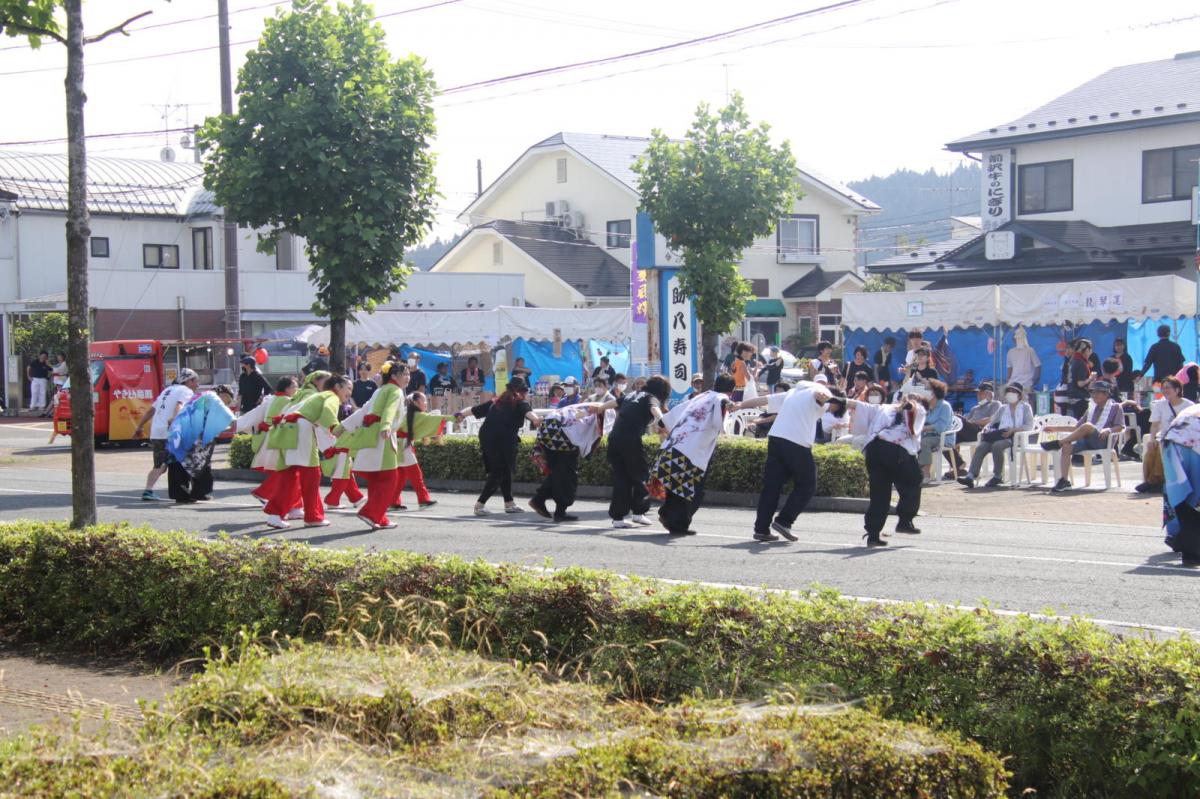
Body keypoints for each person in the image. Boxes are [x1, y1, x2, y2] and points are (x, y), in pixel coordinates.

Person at [738, 380, 834, 542]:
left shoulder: (793, 392)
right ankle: (784, 521)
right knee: (807, 484)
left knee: (772, 486)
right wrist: (822, 398)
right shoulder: (821, 391)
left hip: (776, 438)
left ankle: (761, 529)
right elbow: (821, 398)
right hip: (797, 442)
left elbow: (764, 400)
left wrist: (739, 405)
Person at [648, 374, 739, 536]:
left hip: (673, 445)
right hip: (691, 451)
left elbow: (668, 419)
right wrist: (730, 404)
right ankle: (677, 524)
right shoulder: (721, 398)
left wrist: (664, 424)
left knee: (675, 487)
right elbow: (723, 403)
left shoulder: (700, 397)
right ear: (731, 390)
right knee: (692, 490)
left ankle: (667, 514)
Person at [262, 375, 351, 529]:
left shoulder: (315, 395)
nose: (350, 392)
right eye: (348, 388)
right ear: (337, 387)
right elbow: (327, 415)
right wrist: (337, 430)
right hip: (301, 432)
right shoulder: (331, 396)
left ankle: (276, 514)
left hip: (286, 429)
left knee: (289, 475)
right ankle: (312, 516)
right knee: (311, 475)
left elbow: (292, 411)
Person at [845, 388, 929, 545]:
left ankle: (873, 534)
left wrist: (833, 398)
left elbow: (857, 405)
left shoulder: (883, 408)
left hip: (874, 449)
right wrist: (911, 405)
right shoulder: (919, 407)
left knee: (879, 494)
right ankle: (905, 521)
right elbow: (912, 411)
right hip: (896, 450)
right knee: (913, 481)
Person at [336, 361, 409, 529]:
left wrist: (343, 426)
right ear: (394, 376)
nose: (408, 377)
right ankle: (370, 513)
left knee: (377, 480)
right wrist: (386, 426)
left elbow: (363, 411)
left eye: (408, 374)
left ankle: (379, 518)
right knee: (390, 478)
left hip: (368, 434)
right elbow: (390, 410)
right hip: (382, 437)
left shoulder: (379, 390)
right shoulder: (395, 390)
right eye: (404, 374)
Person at [457, 376, 540, 516]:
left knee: (504, 469)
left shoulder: (496, 401)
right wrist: (536, 420)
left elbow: (475, 410)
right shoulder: (520, 402)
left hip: (487, 436)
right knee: (499, 471)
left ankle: (509, 503)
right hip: (503, 438)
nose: (525, 394)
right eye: (524, 391)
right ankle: (480, 504)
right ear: (521, 391)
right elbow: (529, 414)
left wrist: (460, 414)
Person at [601, 375, 670, 529]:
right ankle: (639, 513)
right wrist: (664, 423)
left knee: (621, 478)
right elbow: (655, 410)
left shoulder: (633, 394)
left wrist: (597, 409)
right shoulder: (651, 397)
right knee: (641, 476)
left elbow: (611, 403)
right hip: (630, 440)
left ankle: (618, 518)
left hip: (614, 439)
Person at [1040, 379, 1125, 493]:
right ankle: (1064, 481)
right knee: (1067, 445)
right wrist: (1055, 428)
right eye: (1093, 392)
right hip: (1086, 440)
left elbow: (1120, 426)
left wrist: (1108, 430)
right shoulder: (1091, 408)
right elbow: (1077, 428)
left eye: (1098, 392)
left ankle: (1057, 443)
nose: (1095, 395)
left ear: (1106, 394)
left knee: (1088, 426)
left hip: (1102, 440)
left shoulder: (1116, 407)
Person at [530, 401, 603, 522]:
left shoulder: (592, 405)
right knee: (567, 475)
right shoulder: (601, 411)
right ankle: (558, 511)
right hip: (562, 434)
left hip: (550, 430)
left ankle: (539, 499)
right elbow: (591, 433)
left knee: (558, 472)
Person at [134, 368, 200, 501]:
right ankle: (186, 492)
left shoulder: (166, 391)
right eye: (195, 381)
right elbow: (179, 405)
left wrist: (139, 427)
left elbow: (151, 411)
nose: (197, 385)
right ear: (189, 380)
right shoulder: (185, 391)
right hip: (170, 432)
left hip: (157, 432)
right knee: (181, 462)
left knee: (161, 465)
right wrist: (174, 421)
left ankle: (148, 490)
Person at [165, 384, 236, 504]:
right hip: (193, 436)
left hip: (181, 431)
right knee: (201, 463)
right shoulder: (212, 396)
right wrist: (235, 421)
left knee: (179, 463)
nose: (227, 403)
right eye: (227, 400)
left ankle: (181, 494)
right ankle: (199, 492)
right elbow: (226, 414)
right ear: (222, 394)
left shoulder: (198, 397)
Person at [235, 376, 299, 505]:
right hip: (281, 439)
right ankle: (264, 493)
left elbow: (255, 414)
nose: (296, 389)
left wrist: (238, 424)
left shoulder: (271, 399)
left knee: (282, 470)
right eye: (294, 386)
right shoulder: (288, 401)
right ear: (287, 388)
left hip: (269, 438)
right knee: (285, 470)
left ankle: (284, 501)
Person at [958, 383, 1034, 488]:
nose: (1010, 394)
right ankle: (970, 476)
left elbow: (1029, 425)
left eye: (1013, 391)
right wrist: (987, 429)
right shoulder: (1003, 408)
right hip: (1001, 435)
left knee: (997, 445)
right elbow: (992, 422)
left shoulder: (1025, 407)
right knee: (981, 446)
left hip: (1016, 437)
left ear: (1019, 395)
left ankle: (997, 476)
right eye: (1008, 391)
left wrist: (1013, 430)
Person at [1157, 402, 1200, 565]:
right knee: (1195, 498)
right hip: (1192, 445)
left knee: (1182, 495)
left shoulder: (1193, 408)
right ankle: (1187, 545)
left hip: (1172, 444)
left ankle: (1178, 537)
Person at [1135, 376, 1192, 494]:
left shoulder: (1188, 405)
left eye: (1168, 388)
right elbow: (1155, 425)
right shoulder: (1160, 405)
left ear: (1177, 390)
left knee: (1166, 448)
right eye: (1163, 388)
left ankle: (1154, 481)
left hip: (1184, 438)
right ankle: (1151, 480)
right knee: (1152, 450)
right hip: (1165, 436)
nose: (1165, 390)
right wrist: (1152, 439)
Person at [393, 391, 446, 510]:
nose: (426, 403)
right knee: (416, 476)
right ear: (416, 403)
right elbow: (436, 419)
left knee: (400, 477)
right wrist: (456, 416)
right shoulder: (414, 415)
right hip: (403, 447)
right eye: (424, 401)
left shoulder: (408, 413)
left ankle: (393, 502)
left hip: (400, 446)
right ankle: (423, 500)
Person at [947, 382, 1000, 478]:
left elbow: (991, 420)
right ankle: (959, 466)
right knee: (946, 440)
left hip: (981, 431)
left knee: (959, 419)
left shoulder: (995, 404)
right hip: (967, 430)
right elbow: (967, 420)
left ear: (989, 394)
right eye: (978, 393)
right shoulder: (975, 408)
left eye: (981, 393)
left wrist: (973, 422)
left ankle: (959, 467)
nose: (978, 395)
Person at [917, 379, 954, 482]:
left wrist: (923, 428)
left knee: (923, 442)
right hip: (926, 435)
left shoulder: (944, 406)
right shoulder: (925, 406)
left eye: (927, 389)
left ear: (935, 392)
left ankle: (926, 474)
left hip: (942, 437)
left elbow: (941, 426)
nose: (924, 392)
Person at [838, 382, 886, 450]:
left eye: (876, 394)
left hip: (876, 437)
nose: (873, 396)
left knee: (857, 441)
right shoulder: (864, 406)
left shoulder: (885, 408)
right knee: (840, 441)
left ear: (882, 397)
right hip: (860, 435)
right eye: (871, 395)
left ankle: (858, 460)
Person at [1059, 338, 1095, 417]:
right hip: (1080, 398)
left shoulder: (1073, 361)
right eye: (1089, 350)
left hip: (1072, 396)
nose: (1090, 352)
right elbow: (1080, 383)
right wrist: (1090, 378)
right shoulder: (1080, 363)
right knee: (1081, 423)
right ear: (1085, 351)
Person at [1006, 326, 1041, 392]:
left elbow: (1038, 366)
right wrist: (1008, 381)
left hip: (1026, 384)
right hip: (1013, 384)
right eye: (1015, 337)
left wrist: (1033, 381)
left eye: (1019, 337)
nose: (1016, 339)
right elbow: (1009, 368)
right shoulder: (1010, 352)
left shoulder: (1030, 350)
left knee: (1026, 401)